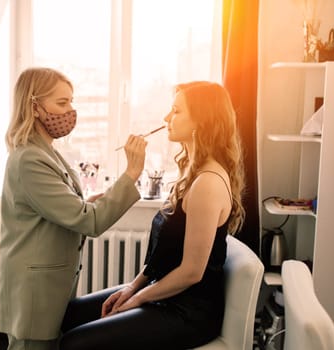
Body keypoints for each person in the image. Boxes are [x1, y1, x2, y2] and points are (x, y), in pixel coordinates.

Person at [59, 81, 246, 350]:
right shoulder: (191, 174)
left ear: (201, 121)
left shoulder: (208, 182)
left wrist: (138, 299)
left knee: (74, 344)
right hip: (167, 293)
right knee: (70, 316)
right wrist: (132, 287)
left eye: (176, 111)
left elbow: (192, 272)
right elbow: (165, 255)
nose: (166, 118)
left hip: (188, 310)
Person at [0, 67, 147, 350]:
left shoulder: (46, 152)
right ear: (34, 106)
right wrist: (131, 173)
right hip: (34, 292)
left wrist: (89, 202)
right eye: (62, 103)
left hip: (47, 287)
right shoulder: (30, 160)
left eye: (71, 102)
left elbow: (66, 208)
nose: (70, 111)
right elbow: (91, 223)